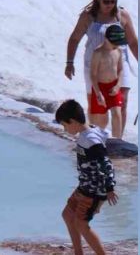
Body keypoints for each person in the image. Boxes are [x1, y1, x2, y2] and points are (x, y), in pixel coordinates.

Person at [66, 0, 138, 133]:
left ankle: (118, 142)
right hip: (94, 65)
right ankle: (97, 138)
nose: (110, 5)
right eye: (106, 1)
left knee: (122, 102)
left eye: (113, 1)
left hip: (118, 63)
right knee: (97, 106)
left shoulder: (121, 15)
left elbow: (132, 42)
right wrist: (69, 62)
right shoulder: (88, 16)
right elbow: (74, 39)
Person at [54, 100, 118, 255]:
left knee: (81, 224)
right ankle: (78, 253)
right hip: (84, 187)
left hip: (95, 190)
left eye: (65, 125)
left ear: (74, 121)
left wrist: (109, 188)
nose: (64, 129)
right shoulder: (86, 134)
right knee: (67, 215)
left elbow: (106, 164)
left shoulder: (91, 140)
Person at [88, 25, 128, 139]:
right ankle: (97, 140)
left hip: (114, 86)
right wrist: (98, 92)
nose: (117, 45)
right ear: (106, 38)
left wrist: (118, 85)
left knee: (117, 113)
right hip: (100, 87)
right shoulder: (98, 52)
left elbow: (120, 70)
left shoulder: (119, 51)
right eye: (115, 42)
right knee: (101, 119)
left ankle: (117, 140)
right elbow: (93, 74)